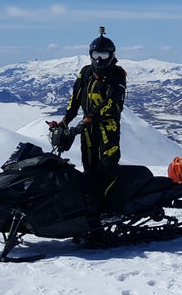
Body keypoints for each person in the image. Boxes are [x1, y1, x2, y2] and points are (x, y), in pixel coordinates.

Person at [48, 27, 127, 224]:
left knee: (108, 166)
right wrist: (66, 120)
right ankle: (93, 207)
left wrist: (91, 117)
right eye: (96, 54)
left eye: (104, 54)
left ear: (111, 55)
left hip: (108, 128)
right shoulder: (85, 73)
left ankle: (114, 209)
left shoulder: (117, 74)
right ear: (90, 54)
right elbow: (75, 98)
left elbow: (114, 102)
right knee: (89, 167)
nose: (99, 59)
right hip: (88, 128)